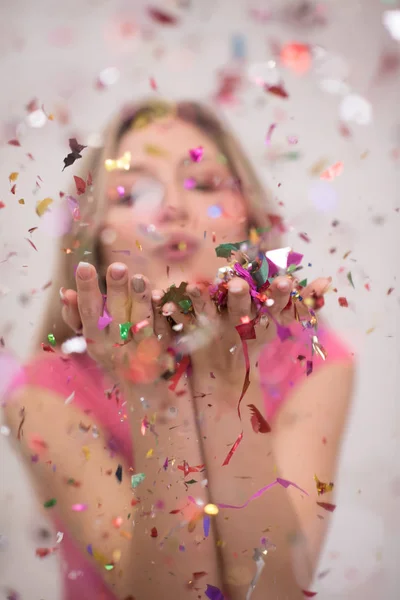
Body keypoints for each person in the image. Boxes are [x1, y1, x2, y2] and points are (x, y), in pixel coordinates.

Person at [2, 99, 354, 600]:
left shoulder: (315, 360)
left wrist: (225, 380)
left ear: (250, 225)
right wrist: (156, 390)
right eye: (133, 192)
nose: (172, 209)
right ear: (93, 239)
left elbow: (273, 591)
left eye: (207, 185)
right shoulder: (39, 394)